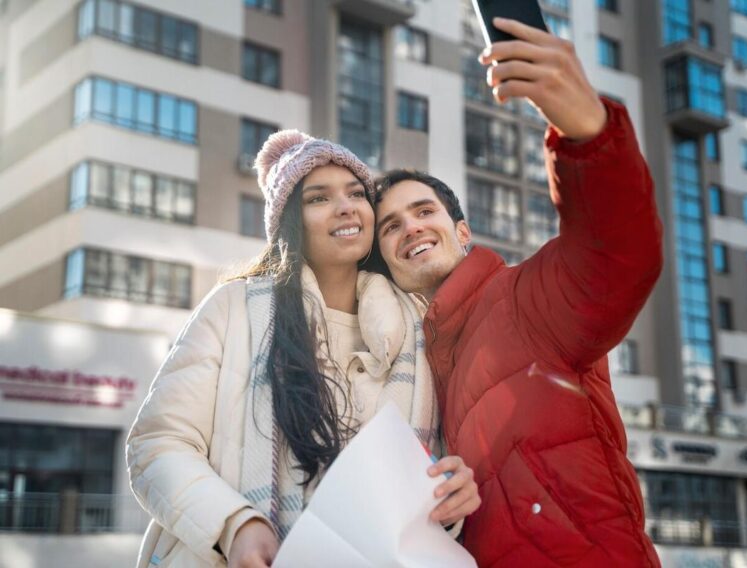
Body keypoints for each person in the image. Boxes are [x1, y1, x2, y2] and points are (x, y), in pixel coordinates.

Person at [372, 18, 663, 568]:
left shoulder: (526, 300)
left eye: (423, 211)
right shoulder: (419, 366)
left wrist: (588, 133)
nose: (409, 228)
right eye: (389, 227)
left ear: (463, 232)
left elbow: (619, 256)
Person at [126, 131, 480, 568]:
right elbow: (158, 445)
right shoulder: (233, 308)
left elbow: (430, 469)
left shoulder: (419, 330)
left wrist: (450, 493)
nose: (346, 206)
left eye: (356, 193)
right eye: (319, 198)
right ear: (290, 222)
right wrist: (235, 525)